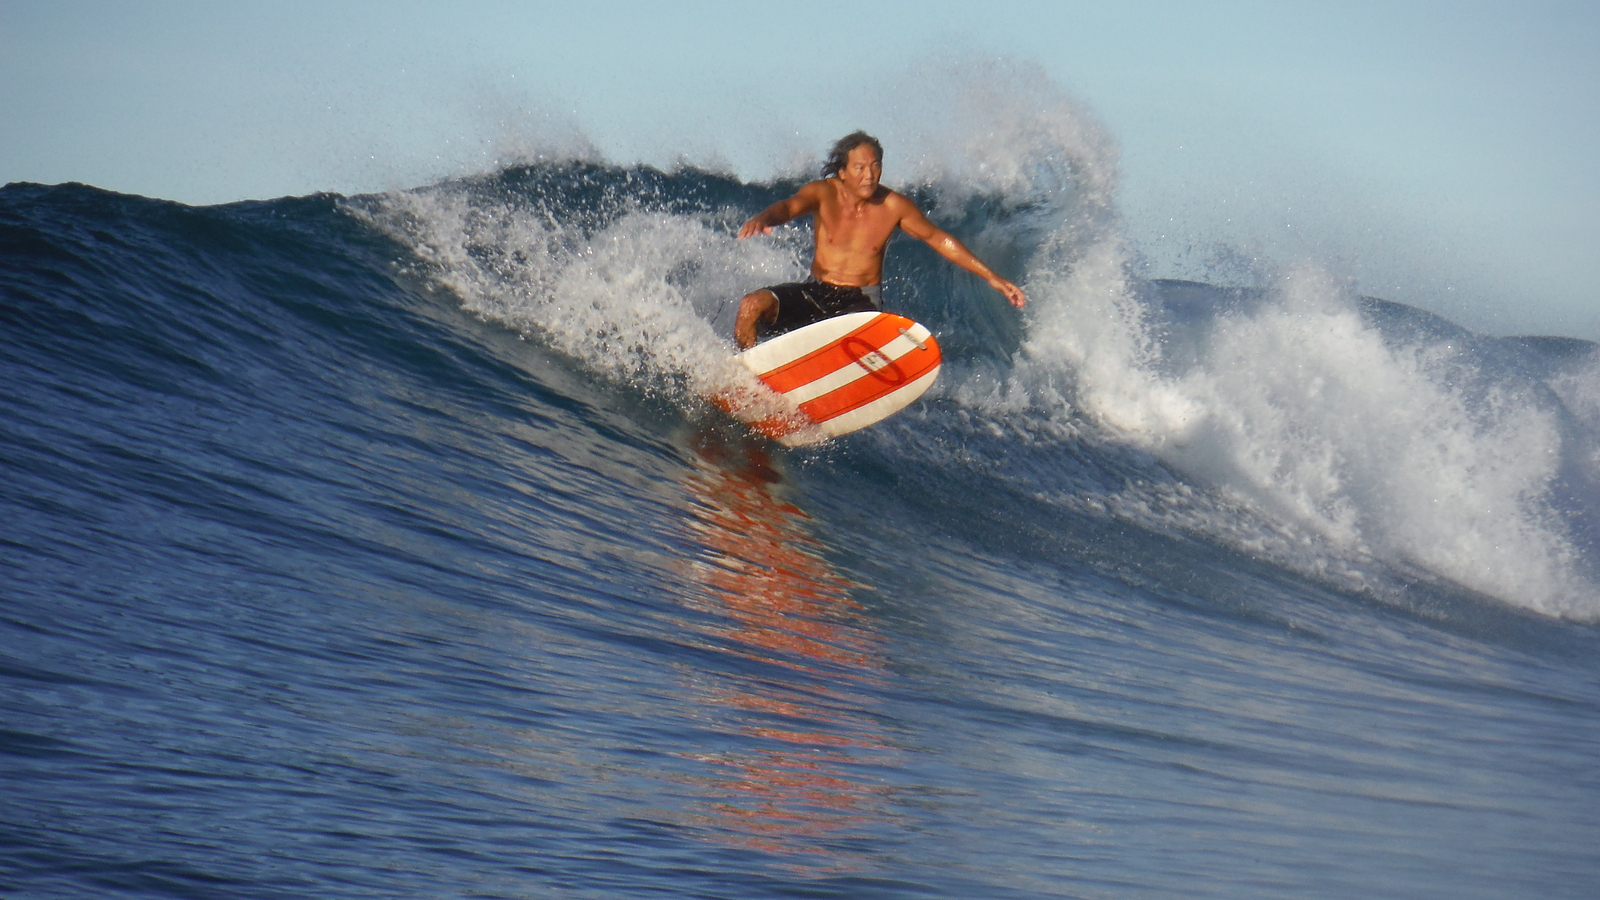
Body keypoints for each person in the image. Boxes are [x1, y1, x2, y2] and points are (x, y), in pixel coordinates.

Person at [734, 131, 1026, 349]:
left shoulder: (893, 206)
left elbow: (938, 239)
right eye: (860, 168)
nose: (869, 175)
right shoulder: (823, 193)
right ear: (843, 172)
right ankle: (746, 380)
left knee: (842, 346)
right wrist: (763, 219)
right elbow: (788, 206)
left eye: (875, 166)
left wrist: (991, 277)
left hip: (860, 303)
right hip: (817, 291)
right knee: (752, 305)